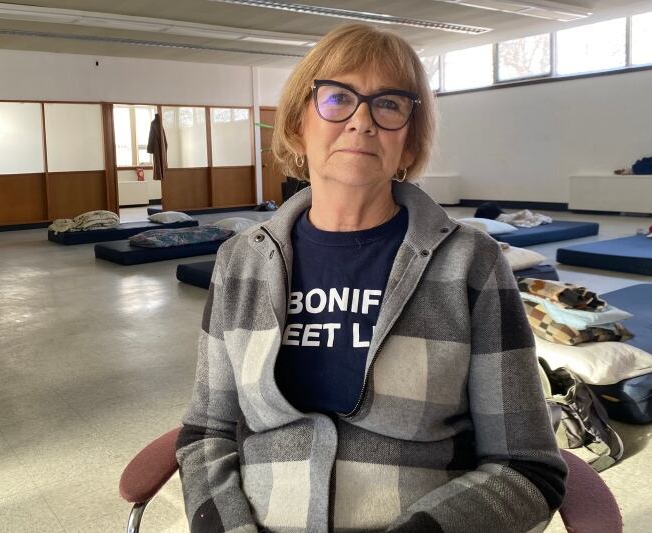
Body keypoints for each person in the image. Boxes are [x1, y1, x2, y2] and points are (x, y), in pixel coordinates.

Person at [176, 23, 567, 533]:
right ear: (298, 126)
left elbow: (528, 465)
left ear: (409, 142)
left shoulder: (471, 262)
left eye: (388, 104)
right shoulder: (239, 263)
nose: (362, 121)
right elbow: (206, 432)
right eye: (337, 98)